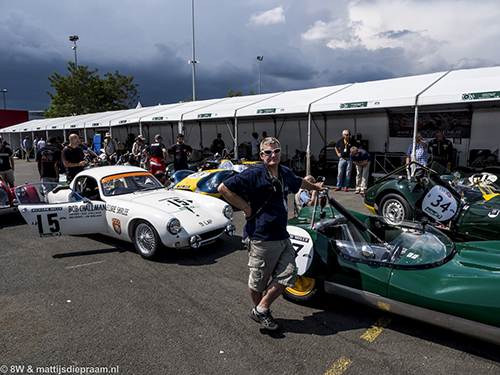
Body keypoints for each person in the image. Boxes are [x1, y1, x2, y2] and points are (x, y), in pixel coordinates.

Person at [218, 137, 325, 330]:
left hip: (281, 235)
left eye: (276, 151)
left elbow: (298, 181)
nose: (272, 155)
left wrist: (316, 187)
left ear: (281, 152)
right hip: (261, 237)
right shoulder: (254, 174)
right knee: (258, 282)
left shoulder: (284, 172)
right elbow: (223, 188)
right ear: (261, 155)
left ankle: (261, 309)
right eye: (267, 152)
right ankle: (262, 311)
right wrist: (245, 207)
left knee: (289, 273)